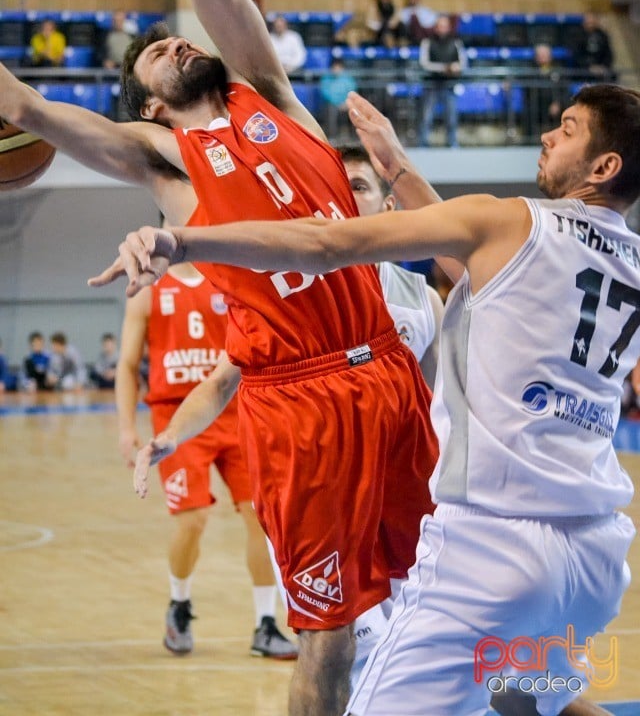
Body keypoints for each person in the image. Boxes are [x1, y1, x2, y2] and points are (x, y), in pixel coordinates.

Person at [0, 0, 437, 716]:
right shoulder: (164, 168)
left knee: (443, 586)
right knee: (327, 630)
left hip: (386, 369)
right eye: (151, 60)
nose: (170, 43)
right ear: (149, 106)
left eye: (172, 39)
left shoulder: (271, 97)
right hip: (299, 400)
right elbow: (24, 109)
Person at [98, 83, 640, 716]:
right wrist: (398, 165)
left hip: (493, 550)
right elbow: (482, 267)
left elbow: (328, 246)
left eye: (568, 129)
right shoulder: (624, 261)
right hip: (596, 553)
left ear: (604, 168)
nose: (548, 134)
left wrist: (183, 243)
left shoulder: (508, 224)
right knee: (528, 697)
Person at [116, 256, 297, 659]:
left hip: (234, 409)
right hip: (176, 415)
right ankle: (179, 602)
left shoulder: (229, 277)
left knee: (262, 518)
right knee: (193, 520)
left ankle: (265, 623)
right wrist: (127, 427)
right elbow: (128, 365)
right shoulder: (149, 288)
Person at [339, 144, 443, 390]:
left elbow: (439, 406)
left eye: (358, 187)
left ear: (387, 206)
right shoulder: (297, 290)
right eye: (336, 186)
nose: (344, 195)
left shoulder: (424, 301)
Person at [418, 13, 467, 146]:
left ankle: (452, 143)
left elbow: (463, 63)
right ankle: (423, 144)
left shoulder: (456, 42)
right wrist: (444, 68)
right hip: (431, 85)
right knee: (426, 117)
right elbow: (424, 63)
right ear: (435, 27)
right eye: (440, 26)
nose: (442, 28)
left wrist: (456, 67)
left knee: (451, 117)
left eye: (445, 26)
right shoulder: (427, 42)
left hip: (449, 85)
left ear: (449, 27)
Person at [318, 60, 357, 143]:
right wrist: (337, 103)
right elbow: (326, 93)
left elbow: (352, 91)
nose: (336, 70)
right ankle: (332, 137)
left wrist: (346, 102)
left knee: (355, 110)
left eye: (338, 68)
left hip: (346, 103)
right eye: (334, 68)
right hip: (332, 104)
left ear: (342, 68)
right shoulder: (326, 79)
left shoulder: (348, 79)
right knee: (331, 109)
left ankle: (354, 138)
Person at [575, 12, 614, 77]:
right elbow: (576, 54)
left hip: (601, 69)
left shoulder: (603, 35)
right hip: (581, 69)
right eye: (588, 22)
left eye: (592, 22)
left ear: (596, 22)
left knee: (613, 76)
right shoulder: (577, 35)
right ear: (584, 22)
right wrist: (589, 66)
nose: (590, 25)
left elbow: (608, 53)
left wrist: (603, 66)